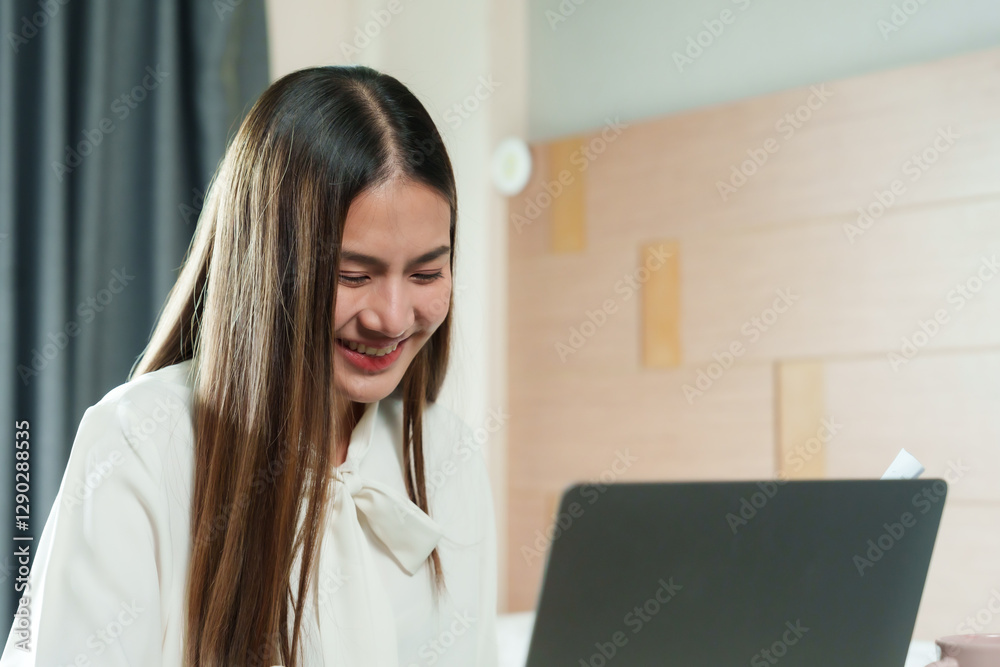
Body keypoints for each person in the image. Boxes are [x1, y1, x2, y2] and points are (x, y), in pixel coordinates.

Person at [0, 65, 498, 667]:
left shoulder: (448, 455)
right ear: (266, 264)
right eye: (351, 275)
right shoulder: (141, 443)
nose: (392, 317)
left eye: (426, 273)